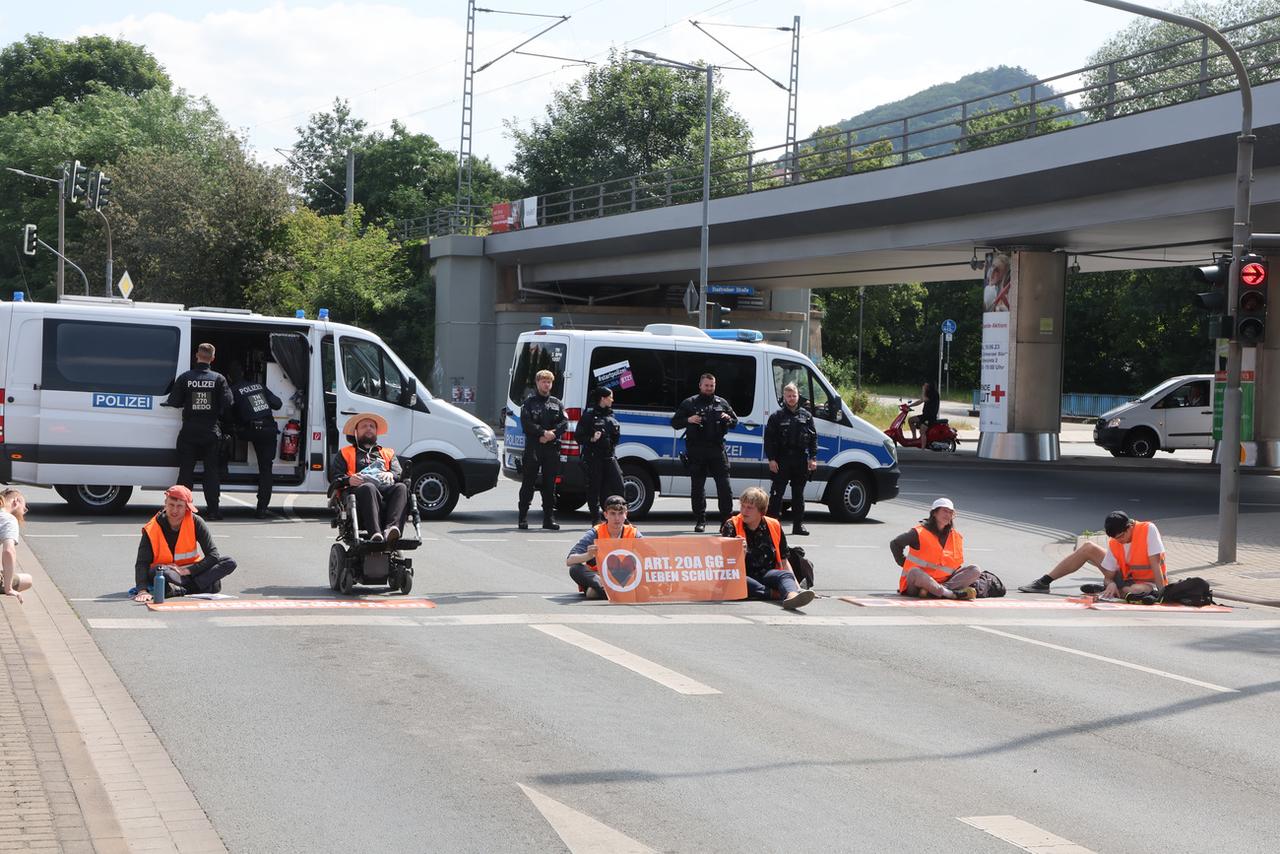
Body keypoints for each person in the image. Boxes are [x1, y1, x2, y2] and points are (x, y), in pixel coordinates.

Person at [1017, 510, 1167, 602]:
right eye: (1116, 538)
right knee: (1088, 547)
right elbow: (1109, 575)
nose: (1119, 541)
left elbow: (1155, 564)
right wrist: (1110, 583)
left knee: (1134, 590)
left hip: (1148, 582)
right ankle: (1044, 582)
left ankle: (1107, 591)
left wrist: (1162, 594)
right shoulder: (1115, 541)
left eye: (1121, 536)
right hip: (1125, 578)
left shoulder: (1148, 530)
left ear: (1129, 527)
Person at [132, 485, 237, 603]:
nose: (174, 510)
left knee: (229, 562)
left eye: (179, 506)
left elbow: (213, 555)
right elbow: (142, 563)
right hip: (168, 573)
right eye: (171, 505)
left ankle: (180, 590)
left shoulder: (196, 521)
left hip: (191, 571)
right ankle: (201, 586)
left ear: (187, 507)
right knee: (159, 571)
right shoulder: (151, 528)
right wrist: (142, 590)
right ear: (165, 503)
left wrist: (187, 570)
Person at [164, 342, 234, 520]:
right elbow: (228, 402)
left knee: (186, 472)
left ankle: (181, 510)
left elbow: (173, 401)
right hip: (210, 432)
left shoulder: (186, 377)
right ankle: (213, 511)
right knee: (211, 472)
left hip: (189, 432)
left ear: (197, 355)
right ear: (213, 358)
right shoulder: (219, 378)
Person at [720, 487, 815, 610]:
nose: (744, 511)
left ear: (761, 511)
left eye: (749, 507)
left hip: (767, 574)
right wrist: (740, 552)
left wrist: (797, 588)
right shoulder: (731, 525)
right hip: (742, 574)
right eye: (742, 506)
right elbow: (727, 567)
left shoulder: (773, 525)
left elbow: (784, 560)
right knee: (740, 581)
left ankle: (792, 596)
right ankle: (776, 594)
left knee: (784, 575)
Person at [329, 413, 409, 544]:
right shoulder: (345, 453)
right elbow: (335, 478)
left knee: (401, 487)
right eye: (364, 426)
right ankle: (375, 533)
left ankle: (391, 530)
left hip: (384, 489)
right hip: (357, 492)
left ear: (376, 431)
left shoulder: (388, 453)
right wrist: (348, 480)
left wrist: (392, 474)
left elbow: (399, 474)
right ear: (356, 432)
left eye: (372, 426)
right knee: (368, 487)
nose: (368, 428)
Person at [672, 373, 738, 532]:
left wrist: (728, 418)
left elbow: (735, 422)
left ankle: (725, 521)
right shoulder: (689, 403)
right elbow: (675, 422)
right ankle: (700, 519)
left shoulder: (721, 403)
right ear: (700, 385)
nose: (709, 388)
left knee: (724, 486)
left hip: (717, 450)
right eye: (706, 385)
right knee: (697, 487)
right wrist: (689, 420)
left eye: (712, 385)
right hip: (697, 450)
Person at [889, 497, 980, 599]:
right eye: (945, 511)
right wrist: (904, 563)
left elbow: (955, 566)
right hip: (919, 582)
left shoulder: (956, 536)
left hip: (944, 582)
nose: (948, 515)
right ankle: (950, 594)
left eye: (951, 513)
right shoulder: (918, 532)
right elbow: (895, 544)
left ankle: (937, 591)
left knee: (975, 570)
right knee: (914, 571)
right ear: (934, 513)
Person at [227, 361, 283, 518]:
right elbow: (277, 404)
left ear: (230, 377)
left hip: (248, 431)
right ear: (244, 374)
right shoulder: (259, 386)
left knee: (227, 436)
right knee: (266, 470)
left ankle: (225, 468)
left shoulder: (232, 390)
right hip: (268, 430)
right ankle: (262, 509)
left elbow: (227, 413)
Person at [765, 382, 818, 536]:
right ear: (784, 397)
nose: (791, 398)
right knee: (776, 494)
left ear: (798, 396)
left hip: (800, 459)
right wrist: (771, 459)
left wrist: (813, 458)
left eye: (794, 395)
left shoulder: (806, 416)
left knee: (798, 495)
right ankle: (771, 527)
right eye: (788, 396)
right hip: (781, 459)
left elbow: (814, 438)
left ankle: (798, 526)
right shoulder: (777, 416)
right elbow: (768, 440)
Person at [565, 494, 642, 599]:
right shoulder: (595, 532)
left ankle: (608, 591)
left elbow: (652, 557)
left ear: (626, 514)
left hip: (626, 576)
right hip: (599, 576)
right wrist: (588, 555)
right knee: (575, 569)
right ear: (606, 515)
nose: (617, 518)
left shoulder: (633, 533)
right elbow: (569, 560)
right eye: (612, 514)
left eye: (620, 513)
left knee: (592, 593)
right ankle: (615, 590)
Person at [518, 369, 568, 531]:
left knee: (550, 485)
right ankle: (523, 518)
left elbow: (564, 423)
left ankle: (548, 519)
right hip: (534, 447)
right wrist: (541, 433)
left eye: (549, 382)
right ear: (537, 383)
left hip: (551, 448)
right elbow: (526, 424)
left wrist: (551, 434)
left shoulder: (556, 403)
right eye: (544, 381)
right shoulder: (529, 402)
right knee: (528, 483)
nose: (546, 384)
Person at [576, 387, 624, 524]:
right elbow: (578, 436)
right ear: (603, 398)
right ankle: (595, 518)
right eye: (610, 397)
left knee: (619, 485)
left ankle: (621, 517)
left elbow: (615, 436)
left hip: (609, 456)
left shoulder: (611, 416)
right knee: (594, 487)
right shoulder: (589, 416)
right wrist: (591, 438)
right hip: (593, 457)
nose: (612, 400)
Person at [1, 488, 34, 603]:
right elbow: (8, 551)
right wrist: (8, 588)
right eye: (24, 508)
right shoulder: (9, 519)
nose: (24, 512)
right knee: (27, 579)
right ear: (16, 501)